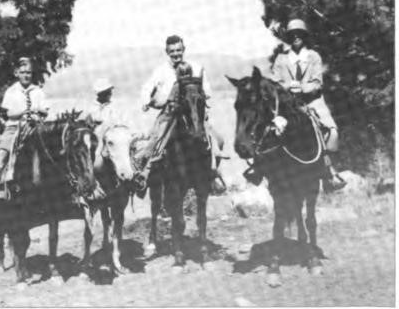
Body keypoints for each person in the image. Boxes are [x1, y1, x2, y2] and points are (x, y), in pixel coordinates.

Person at [251, 18, 346, 191]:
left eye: (299, 34)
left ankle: (329, 171)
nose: (295, 37)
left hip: (312, 101)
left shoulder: (314, 56)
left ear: (304, 36)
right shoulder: (281, 59)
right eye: (292, 34)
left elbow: (318, 82)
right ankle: (258, 169)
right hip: (288, 104)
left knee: (331, 130)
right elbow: (276, 82)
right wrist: (288, 88)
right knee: (266, 128)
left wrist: (302, 88)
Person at [135, 35, 228, 194]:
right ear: (167, 52)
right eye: (172, 51)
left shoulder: (197, 67)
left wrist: (204, 101)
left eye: (178, 50)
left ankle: (213, 173)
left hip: (194, 112)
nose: (176, 54)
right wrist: (146, 101)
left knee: (215, 138)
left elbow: (206, 88)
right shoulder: (161, 71)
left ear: (183, 50)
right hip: (169, 112)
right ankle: (145, 174)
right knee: (156, 139)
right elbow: (146, 88)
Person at [0, 57, 49, 200]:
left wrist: (38, 111)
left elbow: (45, 111)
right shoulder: (11, 91)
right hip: (14, 127)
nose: (26, 75)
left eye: (29, 73)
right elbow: (9, 113)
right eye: (23, 72)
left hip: (34, 126)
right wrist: (24, 112)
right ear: (16, 73)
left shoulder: (38, 91)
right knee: (3, 151)